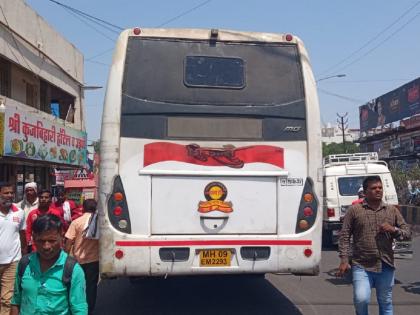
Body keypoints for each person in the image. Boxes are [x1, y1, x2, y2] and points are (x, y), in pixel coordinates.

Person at [337, 176, 411, 315]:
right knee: (361, 299)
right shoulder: (354, 210)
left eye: (380, 187)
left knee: (385, 302)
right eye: (373, 188)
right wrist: (344, 260)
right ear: (365, 192)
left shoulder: (391, 210)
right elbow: (345, 235)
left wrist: (393, 229)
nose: (378, 190)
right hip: (361, 265)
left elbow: (407, 233)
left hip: (386, 265)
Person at [11, 214, 88, 314]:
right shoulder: (25, 263)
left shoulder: (72, 270)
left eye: (52, 241)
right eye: (41, 241)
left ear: (61, 237)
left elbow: (79, 308)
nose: (46, 246)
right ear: (33, 238)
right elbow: (16, 300)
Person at [65, 199, 99, 315]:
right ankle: (89, 309)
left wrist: (65, 258)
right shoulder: (99, 223)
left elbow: (69, 241)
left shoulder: (76, 222)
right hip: (94, 260)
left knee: (77, 285)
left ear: (83, 208)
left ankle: (77, 308)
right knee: (91, 286)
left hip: (78, 260)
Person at [0, 183, 27, 315]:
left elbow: (23, 235)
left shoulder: (20, 212)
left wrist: (25, 254)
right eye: (6, 193)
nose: (10, 196)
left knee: (7, 299)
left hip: (12, 262)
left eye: (11, 193)